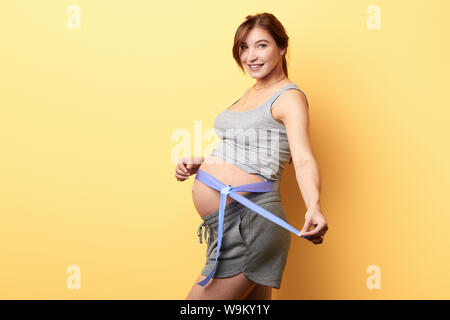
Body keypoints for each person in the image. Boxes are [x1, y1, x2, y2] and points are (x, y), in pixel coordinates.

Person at [175, 12, 328, 300]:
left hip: (250, 223)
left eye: (262, 45)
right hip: (232, 225)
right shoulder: (252, 92)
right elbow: (250, 149)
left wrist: (314, 207)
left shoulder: (288, 97)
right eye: (244, 47)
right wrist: (203, 163)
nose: (251, 56)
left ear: (282, 48)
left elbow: (303, 159)